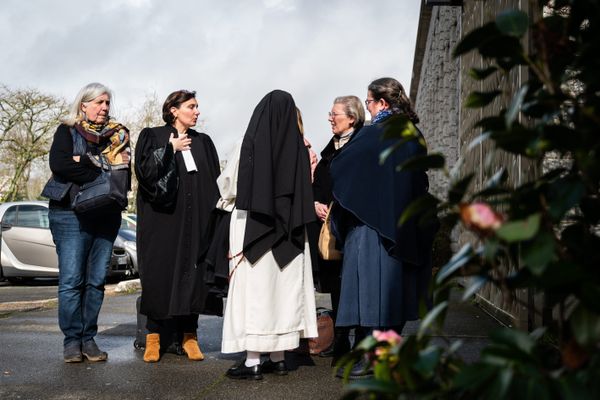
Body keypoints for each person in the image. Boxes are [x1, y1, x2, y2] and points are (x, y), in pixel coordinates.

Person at [330, 78, 437, 378]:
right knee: (394, 296)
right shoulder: (413, 134)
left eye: (369, 102)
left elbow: (341, 166)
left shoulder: (373, 133)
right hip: (404, 226)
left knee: (370, 295)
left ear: (383, 103)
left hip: (372, 228)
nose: (368, 108)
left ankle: (371, 358)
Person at [218, 90, 318, 380]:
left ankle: (252, 361)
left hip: (253, 227)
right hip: (290, 233)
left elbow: (229, 186)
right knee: (282, 294)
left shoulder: (246, 145)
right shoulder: (300, 149)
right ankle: (279, 357)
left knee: (255, 294)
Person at [135, 90, 220, 363]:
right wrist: (170, 148)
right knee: (161, 273)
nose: (197, 112)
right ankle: (153, 336)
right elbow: (144, 173)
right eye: (191, 106)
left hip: (196, 221)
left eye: (197, 106)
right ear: (173, 109)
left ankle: (189, 335)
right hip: (162, 221)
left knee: (193, 276)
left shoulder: (203, 142)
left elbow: (215, 181)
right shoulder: (153, 136)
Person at [48, 82, 131, 363]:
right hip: (69, 213)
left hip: (106, 215)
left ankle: (88, 339)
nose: (105, 108)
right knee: (72, 280)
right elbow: (60, 165)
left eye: (107, 103)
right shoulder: (67, 130)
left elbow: (124, 173)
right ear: (83, 105)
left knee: (96, 282)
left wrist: (84, 161)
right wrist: (102, 170)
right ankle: (72, 341)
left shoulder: (117, 135)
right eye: (99, 102)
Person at [311, 95, 364, 359]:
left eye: (335, 114)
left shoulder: (361, 145)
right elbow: (318, 185)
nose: (330, 118)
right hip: (330, 232)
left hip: (354, 228)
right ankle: (340, 339)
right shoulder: (330, 149)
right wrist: (315, 203)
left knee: (356, 284)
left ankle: (357, 341)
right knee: (335, 285)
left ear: (352, 118)